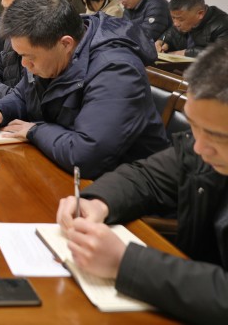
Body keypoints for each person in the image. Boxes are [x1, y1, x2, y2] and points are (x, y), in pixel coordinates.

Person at [55, 40, 228, 324]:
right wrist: (98, 201)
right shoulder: (204, 149)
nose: (199, 147)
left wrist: (124, 263)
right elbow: (147, 176)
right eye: (195, 127)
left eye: (218, 137)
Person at [0, 0, 168, 179]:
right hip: (62, 167)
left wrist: (34, 130)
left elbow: (87, 155)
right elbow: (23, 95)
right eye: (20, 56)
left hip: (128, 184)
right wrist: (0, 110)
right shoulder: (51, 50)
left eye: (29, 57)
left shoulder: (116, 70)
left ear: (65, 44)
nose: (24, 64)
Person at [155, 0, 228, 57]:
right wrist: (162, 42)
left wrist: (185, 53)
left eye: (181, 19)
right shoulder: (181, 21)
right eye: (173, 18)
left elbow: (222, 52)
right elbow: (170, 35)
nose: (175, 23)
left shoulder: (223, 24)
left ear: (200, 14)